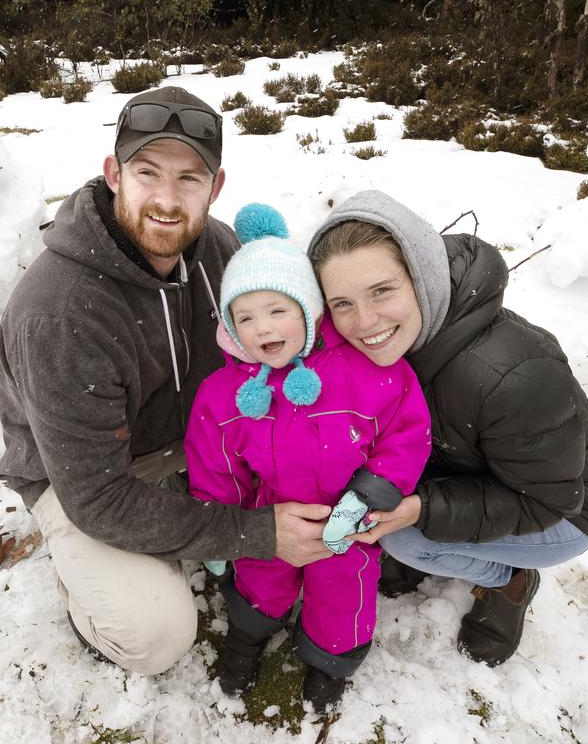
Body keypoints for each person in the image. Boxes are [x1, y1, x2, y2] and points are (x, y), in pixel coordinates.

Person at [0, 87, 333, 675]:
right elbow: (98, 498)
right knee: (155, 636)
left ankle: (181, 526)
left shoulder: (221, 249)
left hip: (199, 440)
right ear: (114, 174)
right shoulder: (61, 312)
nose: (167, 200)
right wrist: (256, 533)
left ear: (216, 187)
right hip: (90, 476)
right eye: (148, 172)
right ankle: (91, 597)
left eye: (190, 179)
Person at [307, 190, 588, 667]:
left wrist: (420, 509)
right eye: (342, 304)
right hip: (471, 466)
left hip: (567, 509)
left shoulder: (508, 375)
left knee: (404, 538)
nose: (364, 321)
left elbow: (550, 499)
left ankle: (509, 581)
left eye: (382, 291)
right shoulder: (397, 337)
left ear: (422, 276)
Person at [185, 204, 431, 710]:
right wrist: (221, 525)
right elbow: (216, 463)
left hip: (347, 516)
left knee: (344, 593)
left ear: (308, 310)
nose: (263, 328)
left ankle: (330, 663)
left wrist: (374, 492)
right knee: (259, 580)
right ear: (230, 328)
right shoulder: (222, 394)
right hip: (269, 514)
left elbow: (406, 432)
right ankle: (247, 639)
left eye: (278, 310)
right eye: (245, 317)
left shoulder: (363, 369)